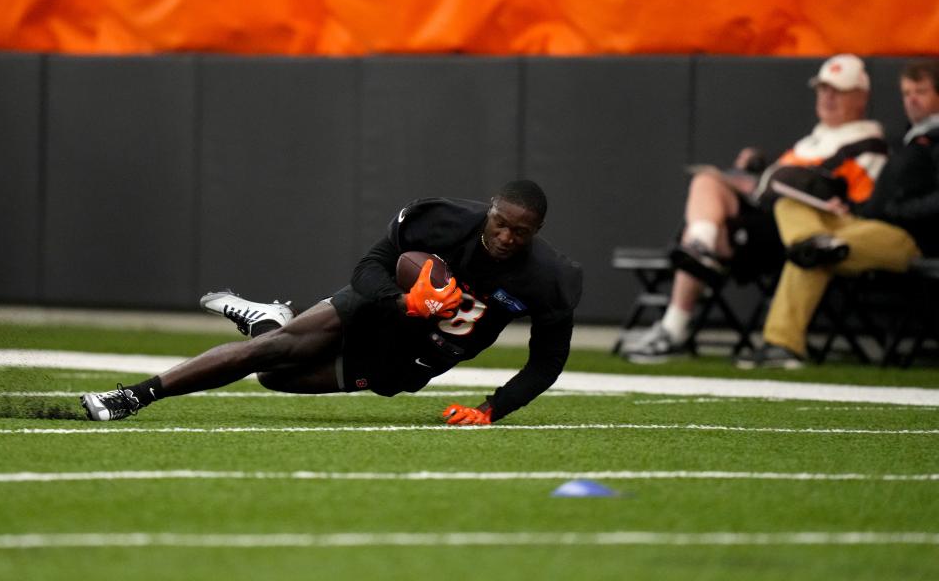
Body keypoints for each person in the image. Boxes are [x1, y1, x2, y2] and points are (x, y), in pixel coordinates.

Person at [80, 180, 583, 425]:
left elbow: (547, 362)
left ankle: (269, 320)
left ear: (536, 233)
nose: (506, 237)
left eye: (521, 232)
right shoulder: (446, 221)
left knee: (277, 378)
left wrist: (491, 409)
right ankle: (133, 397)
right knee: (270, 354)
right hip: (379, 309)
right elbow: (369, 268)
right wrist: (404, 302)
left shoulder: (550, 279)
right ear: (490, 211)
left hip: (409, 362)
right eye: (500, 223)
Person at [622, 54, 888, 363]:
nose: (828, 97)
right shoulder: (813, 140)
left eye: (838, 90)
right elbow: (772, 186)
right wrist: (751, 173)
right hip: (763, 220)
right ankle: (700, 248)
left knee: (708, 220)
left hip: (795, 235)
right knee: (707, 182)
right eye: (823, 89)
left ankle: (674, 325)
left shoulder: (869, 144)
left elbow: (860, 208)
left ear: (861, 96)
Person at [739, 59, 939, 368]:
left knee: (815, 251)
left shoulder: (908, 143)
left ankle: (782, 343)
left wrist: (899, 210)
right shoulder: (908, 138)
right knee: (798, 220)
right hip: (860, 225)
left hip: (907, 238)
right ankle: (811, 245)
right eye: (906, 92)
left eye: (921, 91)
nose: (911, 99)